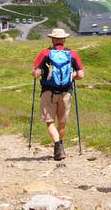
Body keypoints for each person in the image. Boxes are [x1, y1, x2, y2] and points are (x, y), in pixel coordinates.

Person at [32, 28, 84, 161]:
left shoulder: (45, 53)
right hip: (66, 92)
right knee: (62, 123)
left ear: (53, 39)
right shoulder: (72, 54)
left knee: (49, 121)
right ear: (64, 39)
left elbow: (36, 73)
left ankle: (57, 146)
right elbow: (81, 75)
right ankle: (60, 148)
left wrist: (35, 73)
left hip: (48, 92)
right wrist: (71, 75)